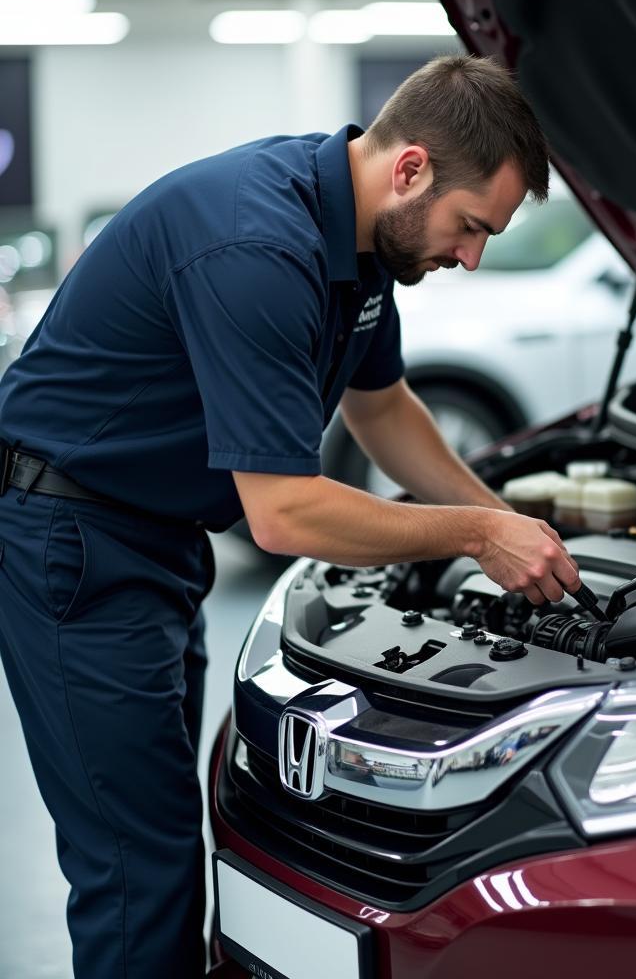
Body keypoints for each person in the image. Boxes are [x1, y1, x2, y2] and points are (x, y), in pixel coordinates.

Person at [0, 54, 580, 978]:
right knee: (134, 871)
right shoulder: (257, 247)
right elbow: (283, 515)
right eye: (471, 229)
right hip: (74, 545)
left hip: (153, 542)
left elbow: (383, 408)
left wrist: (505, 520)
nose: (470, 258)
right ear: (411, 168)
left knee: (155, 843)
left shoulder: (360, 241)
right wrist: (475, 537)